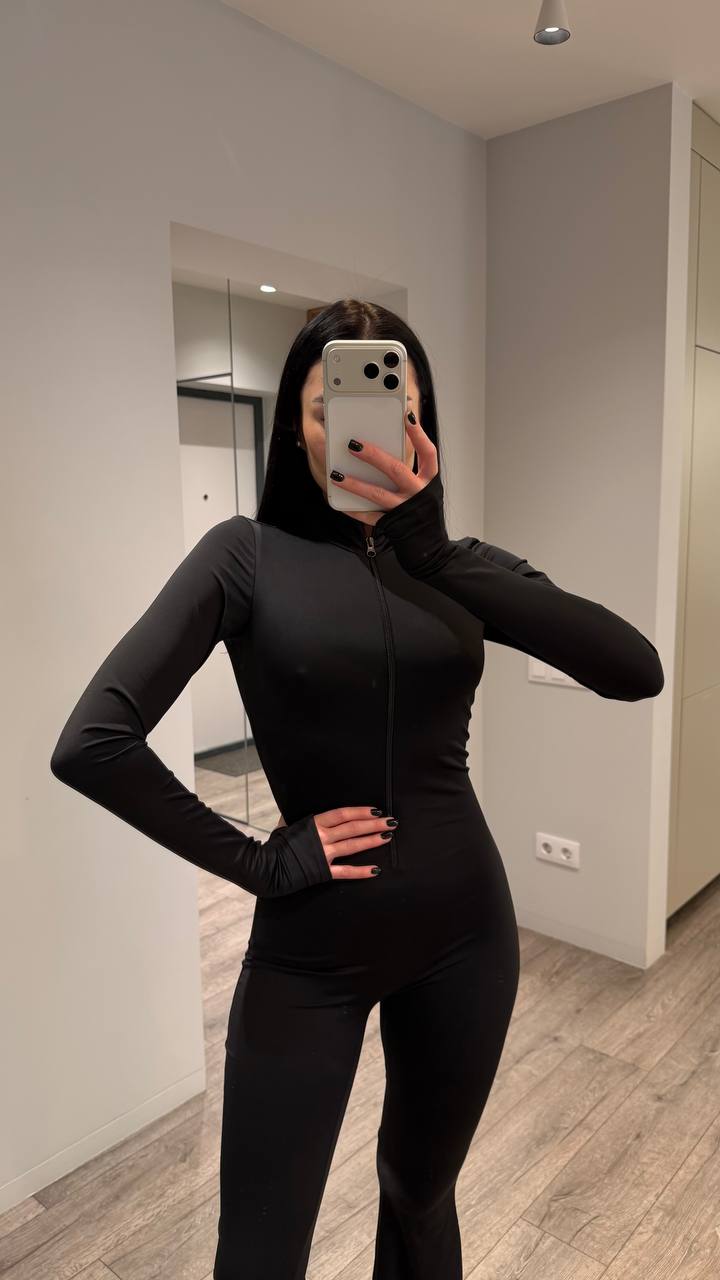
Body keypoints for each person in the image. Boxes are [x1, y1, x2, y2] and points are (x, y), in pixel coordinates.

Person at [50, 298, 665, 1279]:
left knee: (419, 1198)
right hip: (309, 951)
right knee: (259, 1255)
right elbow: (92, 742)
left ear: (422, 427)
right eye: (329, 407)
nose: (364, 431)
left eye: (395, 408)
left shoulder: (460, 567)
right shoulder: (243, 557)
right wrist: (257, 860)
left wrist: (435, 552)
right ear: (296, 430)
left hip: (465, 937)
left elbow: (635, 669)